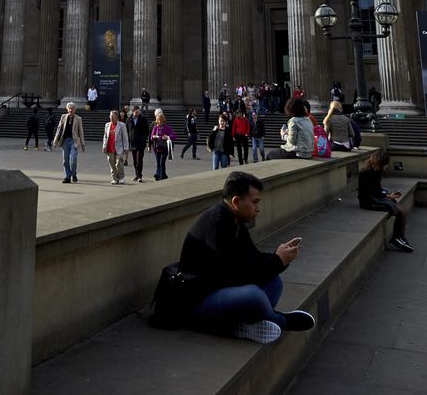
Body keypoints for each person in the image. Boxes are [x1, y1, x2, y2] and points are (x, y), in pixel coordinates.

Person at [173, 171, 316, 343]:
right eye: (254, 202)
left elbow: (251, 258)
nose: (258, 209)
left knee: (274, 282)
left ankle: (242, 324)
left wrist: (280, 257)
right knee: (253, 295)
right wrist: (277, 261)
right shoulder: (217, 225)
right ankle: (280, 320)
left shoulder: (235, 221)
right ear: (236, 201)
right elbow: (236, 275)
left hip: (219, 289)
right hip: (197, 302)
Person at [357, 149, 413, 252]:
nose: (386, 167)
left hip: (375, 198)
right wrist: (387, 195)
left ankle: (399, 237)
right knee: (401, 210)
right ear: (380, 162)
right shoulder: (366, 172)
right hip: (368, 201)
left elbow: (377, 189)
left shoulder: (376, 171)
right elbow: (370, 192)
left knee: (402, 210)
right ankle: (397, 238)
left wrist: (388, 194)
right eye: (385, 164)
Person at [55, 102, 84, 183]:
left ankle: (73, 173)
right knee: (65, 160)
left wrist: (82, 144)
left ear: (75, 109)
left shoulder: (78, 118)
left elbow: (80, 132)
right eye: (69, 108)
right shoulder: (63, 117)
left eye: (72, 108)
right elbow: (59, 129)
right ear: (67, 109)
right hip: (65, 141)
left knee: (73, 158)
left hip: (74, 141)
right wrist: (55, 140)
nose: (71, 110)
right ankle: (68, 176)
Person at [103, 110, 130, 184]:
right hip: (109, 147)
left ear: (117, 117)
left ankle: (121, 177)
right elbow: (105, 137)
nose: (111, 118)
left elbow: (125, 137)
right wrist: (104, 146)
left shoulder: (122, 125)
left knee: (119, 163)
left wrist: (126, 148)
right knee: (112, 163)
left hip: (119, 147)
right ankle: (115, 178)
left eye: (113, 116)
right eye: (110, 116)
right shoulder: (107, 125)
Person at [150, 109, 177, 180]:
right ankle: (162, 175)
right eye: (158, 120)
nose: (159, 122)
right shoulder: (155, 127)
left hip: (165, 148)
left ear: (163, 120)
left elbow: (174, 135)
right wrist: (153, 137)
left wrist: (167, 137)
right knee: (158, 162)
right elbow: (151, 137)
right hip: (157, 148)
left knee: (162, 162)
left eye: (160, 120)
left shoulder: (167, 127)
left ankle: (160, 175)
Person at [127, 105, 149, 182]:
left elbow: (147, 130)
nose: (137, 113)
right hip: (132, 143)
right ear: (133, 112)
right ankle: (136, 175)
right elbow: (127, 130)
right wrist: (129, 139)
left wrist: (144, 138)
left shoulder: (143, 119)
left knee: (139, 159)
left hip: (141, 142)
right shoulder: (129, 120)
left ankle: (140, 175)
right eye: (136, 112)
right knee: (134, 160)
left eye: (138, 112)